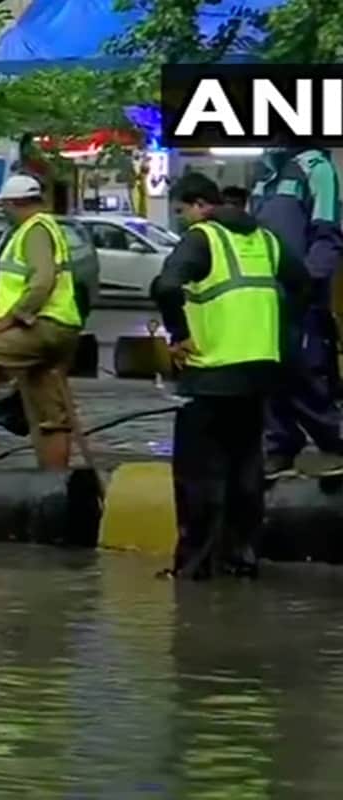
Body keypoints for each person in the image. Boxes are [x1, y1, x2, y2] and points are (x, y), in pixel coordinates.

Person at [151, 173, 309, 580]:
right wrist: (277, 332)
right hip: (259, 372)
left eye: (182, 210)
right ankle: (241, 559)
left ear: (201, 205)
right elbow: (302, 285)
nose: (181, 219)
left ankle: (195, 567)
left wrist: (179, 335)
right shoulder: (267, 240)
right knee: (245, 470)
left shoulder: (202, 238)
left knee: (198, 476)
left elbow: (166, 286)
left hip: (211, 374)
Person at [0, 173, 84, 471]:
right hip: (59, 327)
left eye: (5, 206)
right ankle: (54, 481)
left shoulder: (35, 231)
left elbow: (41, 282)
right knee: (48, 414)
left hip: (42, 326)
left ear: (14, 204)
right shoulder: (46, 227)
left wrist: (8, 320)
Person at [251, 147, 343, 478]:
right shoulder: (265, 172)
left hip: (302, 293)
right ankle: (280, 446)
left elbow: (327, 233)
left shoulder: (316, 168)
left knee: (307, 370)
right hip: (266, 292)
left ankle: (334, 443)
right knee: (269, 371)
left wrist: (308, 281)